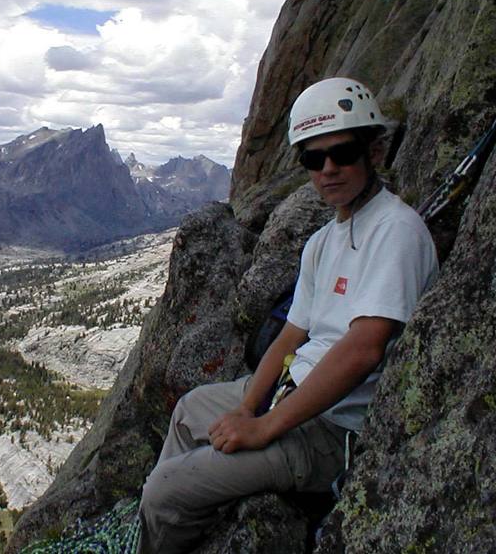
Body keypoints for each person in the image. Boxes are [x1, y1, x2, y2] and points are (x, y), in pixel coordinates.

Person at [137, 77, 439, 553]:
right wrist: (245, 407)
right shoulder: (323, 241)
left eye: (342, 153)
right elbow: (291, 335)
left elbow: (364, 350)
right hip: (289, 396)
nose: (329, 170)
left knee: (163, 492)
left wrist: (263, 427)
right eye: (313, 159)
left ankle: (172, 515)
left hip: (332, 430)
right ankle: (189, 511)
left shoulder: (396, 231)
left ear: (374, 151)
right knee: (189, 411)